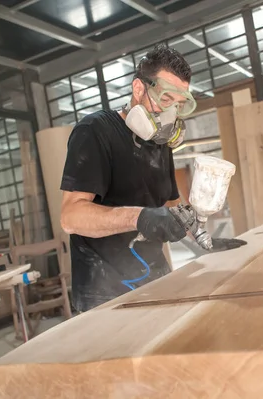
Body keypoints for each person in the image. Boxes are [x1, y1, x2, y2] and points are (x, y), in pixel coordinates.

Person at [60, 44, 246, 313]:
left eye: (179, 105)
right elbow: (70, 217)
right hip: (104, 291)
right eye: (165, 99)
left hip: (155, 279)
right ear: (139, 89)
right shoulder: (95, 132)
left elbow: (173, 208)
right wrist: (140, 217)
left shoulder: (160, 144)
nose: (170, 112)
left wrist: (202, 235)